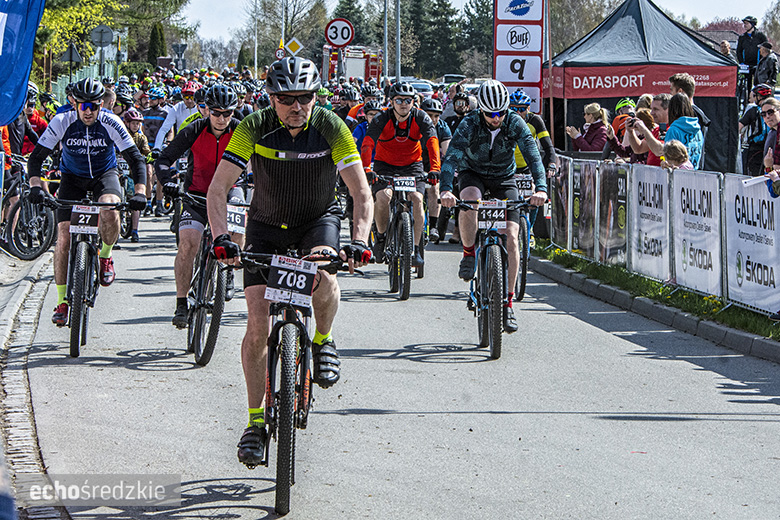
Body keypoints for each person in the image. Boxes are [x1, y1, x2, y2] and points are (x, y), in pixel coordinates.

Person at [204, 57, 373, 467]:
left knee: (325, 276)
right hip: (265, 225)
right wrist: (222, 238)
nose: (297, 106)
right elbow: (218, 189)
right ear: (270, 98)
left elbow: (361, 193)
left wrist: (359, 241)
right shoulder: (253, 126)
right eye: (286, 98)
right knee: (257, 325)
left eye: (305, 97)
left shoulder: (332, 126)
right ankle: (254, 422)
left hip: (317, 222)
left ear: (316, 97)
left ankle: (323, 339)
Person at [26, 78, 147, 325]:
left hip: (104, 175)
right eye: (83, 106)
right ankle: (62, 301)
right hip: (72, 178)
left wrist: (140, 192)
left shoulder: (111, 122)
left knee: (110, 208)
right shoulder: (62, 121)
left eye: (93, 106)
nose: (88, 111)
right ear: (74, 104)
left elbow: (136, 159)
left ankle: (105, 256)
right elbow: (36, 158)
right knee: (63, 237)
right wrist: (36, 186)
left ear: (101, 104)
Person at [439, 80, 548, 333]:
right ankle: (469, 253)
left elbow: (533, 156)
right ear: (481, 111)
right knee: (469, 200)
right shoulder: (469, 123)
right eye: (490, 114)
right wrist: (445, 189)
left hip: (504, 178)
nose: (496, 118)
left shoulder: (515, 122)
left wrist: (541, 188)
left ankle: (508, 303)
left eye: (500, 113)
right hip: (473, 173)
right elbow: (452, 157)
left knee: (511, 235)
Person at [155, 85, 245, 327]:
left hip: (230, 190)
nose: (222, 119)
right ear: (206, 110)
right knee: (188, 245)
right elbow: (164, 159)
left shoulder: (240, 131)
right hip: (197, 193)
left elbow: (260, 159)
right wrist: (167, 182)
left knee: (238, 226)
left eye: (227, 113)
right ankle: (181, 302)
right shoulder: (194, 129)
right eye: (216, 113)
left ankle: (228, 273)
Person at [361, 81, 441, 267]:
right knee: (383, 197)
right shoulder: (382, 118)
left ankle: (416, 249)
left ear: (413, 102)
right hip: (385, 165)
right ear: (391, 102)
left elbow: (432, 141)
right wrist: (366, 169)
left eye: (407, 100)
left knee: (417, 199)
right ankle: (381, 237)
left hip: (412, 165)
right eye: (399, 100)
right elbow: (368, 143)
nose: (403, 104)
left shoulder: (421, 117)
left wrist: (435, 168)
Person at [420, 97, 452, 244]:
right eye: (429, 115)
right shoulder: (414, 124)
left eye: (436, 116)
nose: (433, 119)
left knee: (434, 188)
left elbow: (447, 152)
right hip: (415, 163)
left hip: (434, 165)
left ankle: (433, 226)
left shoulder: (443, 127)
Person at [122, 108, 153, 242]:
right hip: (120, 172)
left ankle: (135, 230)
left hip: (133, 172)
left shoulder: (141, 138)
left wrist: (150, 156)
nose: (136, 126)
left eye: (138, 123)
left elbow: (146, 151)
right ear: (127, 123)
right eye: (134, 123)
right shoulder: (121, 134)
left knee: (136, 199)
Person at [627, 93, 670, 167]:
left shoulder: (673, 129)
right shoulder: (657, 130)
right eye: (651, 109)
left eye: (655, 109)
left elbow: (659, 151)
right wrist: (630, 131)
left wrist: (644, 130)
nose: (651, 113)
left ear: (668, 110)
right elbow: (638, 149)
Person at [739, 83, 773, 176]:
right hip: (771, 147)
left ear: (759, 97)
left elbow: (739, 127)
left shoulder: (753, 111)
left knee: (753, 176)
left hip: (755, 148)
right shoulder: (775, 110)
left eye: (755, 96)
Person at [737, 16, 768, 94]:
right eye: (744, 23)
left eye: (747, 23)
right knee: (747, 85)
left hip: (758, 64)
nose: (745, 25)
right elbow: (739, 51)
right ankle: (747, 98)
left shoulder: (760, 36)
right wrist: (741, 62)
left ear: (753, 24)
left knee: (759, 84)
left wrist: (762, 62)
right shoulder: (742, 37)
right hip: (746, 64)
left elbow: (766, 49)